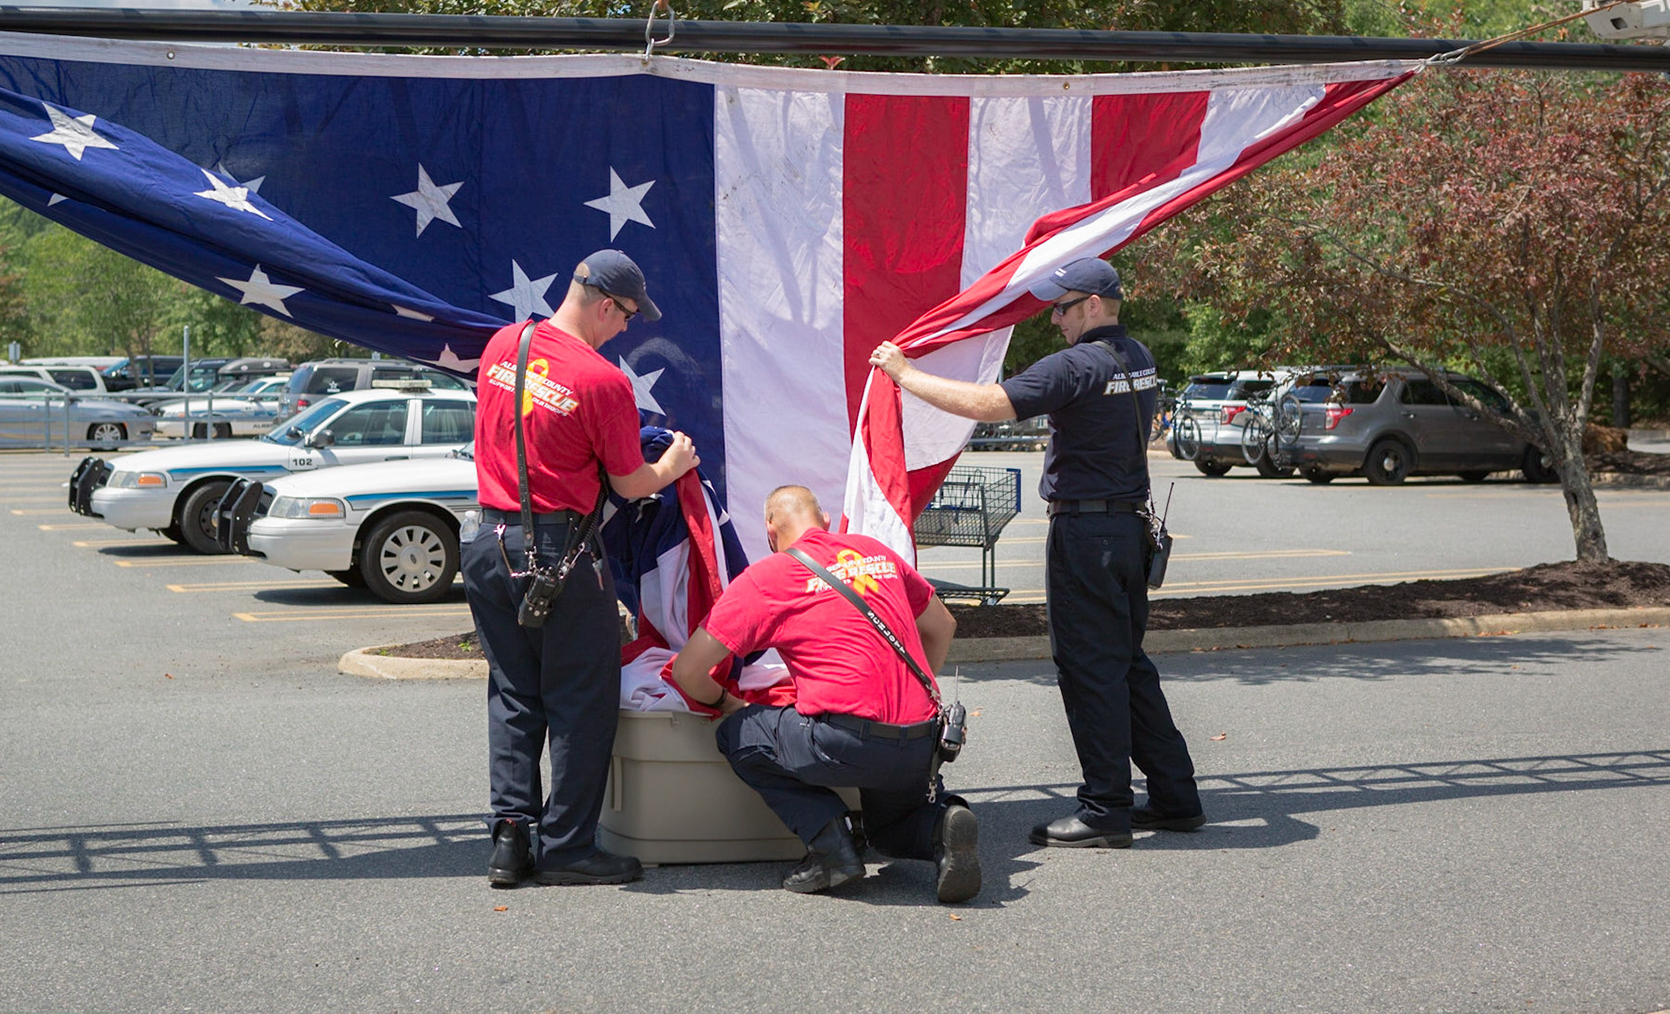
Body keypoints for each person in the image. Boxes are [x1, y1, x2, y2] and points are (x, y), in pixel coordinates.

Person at [869, 255, 1204, 849]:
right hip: (1126, 531)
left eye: (1064, 307)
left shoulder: (1076, 365)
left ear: (1094, 306)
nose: (1056, 320)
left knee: (1090, 670)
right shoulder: (1139, 358)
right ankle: (1176, 795)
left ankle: (1106, 808)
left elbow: (988, 404)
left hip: (1087, 536)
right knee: (1127, 664)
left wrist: (905, 374)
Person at [461, 249, 699, 887]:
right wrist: (671, 467)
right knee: (580, 701)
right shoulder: (602, 382)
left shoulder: (504, 344)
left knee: (513, 692)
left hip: (487, 540)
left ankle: (510, 839)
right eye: (626, 317)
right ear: (604, 305)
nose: (627, 329)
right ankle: (567, 847)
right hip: (559, 553)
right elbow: (628, 483)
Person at [670, 485, 981, 903]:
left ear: (769, 530)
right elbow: (943, 625)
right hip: (923, 737)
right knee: (887, 831)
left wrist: (729, 704)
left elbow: (689, 671)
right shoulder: (877, 553)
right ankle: (940, 828)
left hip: (847, 741)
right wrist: (909, 700)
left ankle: (830, 844)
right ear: (827, 520)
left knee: (739, 733)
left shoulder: (768, 578)